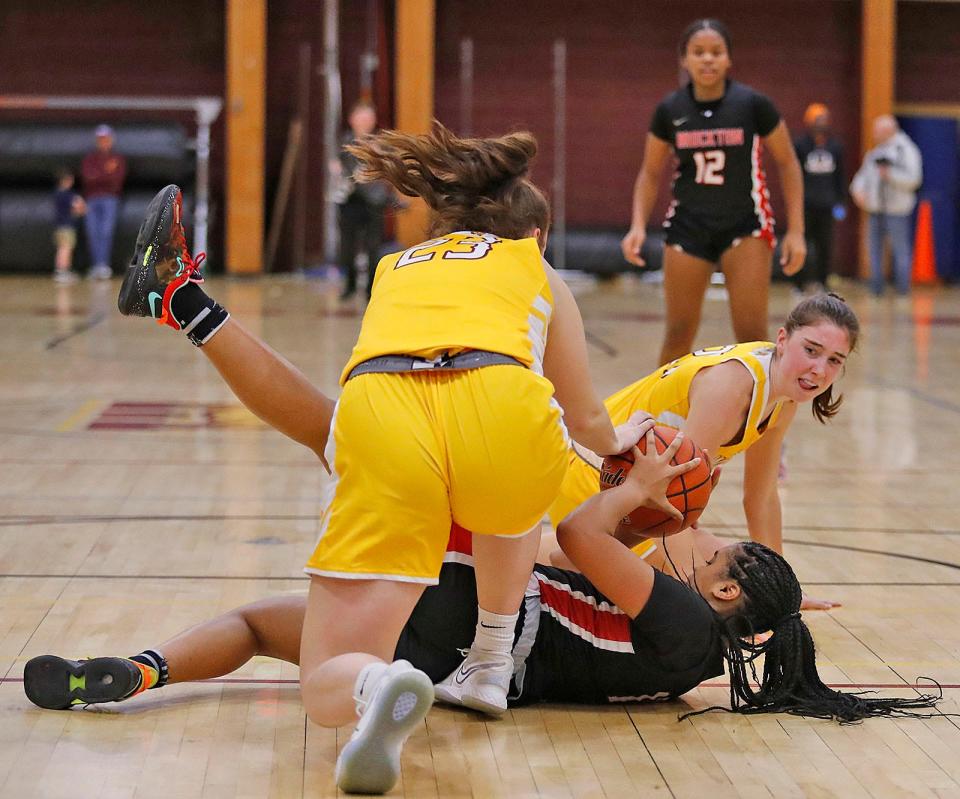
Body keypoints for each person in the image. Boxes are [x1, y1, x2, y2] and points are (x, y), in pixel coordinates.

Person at [112, 122, 646, 794]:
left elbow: (348, 413)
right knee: (508, 485)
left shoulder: (400, 264)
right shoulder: (532, 269)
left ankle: (376, 681)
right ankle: (487, 661)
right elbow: (586, 420)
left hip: (385, 412)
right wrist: (621, 448)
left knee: (326, 663)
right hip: (501, 435)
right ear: (533, 236)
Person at [24, 427, 941, 724]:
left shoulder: (683, 622)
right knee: (267, 628)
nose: (697, 537)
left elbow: (580, 534)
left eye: (713, 545)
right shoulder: (691, 659)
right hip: (469, 634)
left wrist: (641, 489)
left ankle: (217, 327)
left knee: (417, 442)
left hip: (484, 616)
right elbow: (576, 551)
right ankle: (137, 670)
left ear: (728, 588)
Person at [547, 292, 859, 611]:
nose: (819, 369)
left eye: (834, 360)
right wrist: (693, 604)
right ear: (782, 339)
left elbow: (761, 498)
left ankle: (570, 558)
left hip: (639, 494)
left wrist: (784, 593)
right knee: (693, 602)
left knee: (744, 583)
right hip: (595, 475)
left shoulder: (783, 399)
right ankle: (559, 560)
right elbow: (667, 501)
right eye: (811, 350)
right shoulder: (731, 388)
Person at [621, 18, 806, 367]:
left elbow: (788, 163)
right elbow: (649, 172)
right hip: (688, 226)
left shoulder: (753, 105)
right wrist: (638, 225)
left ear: (729, 59)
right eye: (698, 52)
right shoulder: (670, 110)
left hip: (745, 225)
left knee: (751, 334)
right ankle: (659, 416)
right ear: (684, 60)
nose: (707, 59)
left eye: (716, 52)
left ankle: (756, 419)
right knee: (677, 333)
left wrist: (796, 231)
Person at [850, 115, 923, 297]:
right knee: (874, 249)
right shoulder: (875, 152)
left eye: (877, 130)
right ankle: (876, 288)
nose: (874, 134)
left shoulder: (906, 151)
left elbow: (914, 180)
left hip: (897, 211)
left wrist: (890, 175)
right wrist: (857, 191)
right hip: (875, 209)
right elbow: (862, 177)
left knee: (900, 250)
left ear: (888, 131)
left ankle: (902, 289)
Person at [331, 100, 391, 300]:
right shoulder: (344, 144)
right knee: (347, 246)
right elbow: (340, 171)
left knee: (373, 246)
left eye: (368, 117)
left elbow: (386, 173)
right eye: (361, 117)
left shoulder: (381, 145)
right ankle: (349, 284)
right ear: (352, 119)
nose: (365, 121)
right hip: (349, 200)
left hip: (373, 202)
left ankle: (370, 288)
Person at [793, 103, 846, 294]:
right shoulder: (800, 145)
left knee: (825, 245)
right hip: (805, 205)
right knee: (803, 245)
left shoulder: (835, 146)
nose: (821, 123)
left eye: (824, 119)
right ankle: (799, 283)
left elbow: (840, 176)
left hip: (827, 205)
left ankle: (823, 281)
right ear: (809, 122)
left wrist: (840, 202)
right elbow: (793, 175)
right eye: (817, 119)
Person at [81, 124, 127, 280]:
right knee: (93, 232)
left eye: (106, 139)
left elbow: (117, 180)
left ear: (111, 140)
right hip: (92, 199)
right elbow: (87, 178)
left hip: (110, 199)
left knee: (106, 231)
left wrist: (99, 176)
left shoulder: (117, 159)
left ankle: (104, 265)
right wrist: (106, 174)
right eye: (100, 139)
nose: (103, 142)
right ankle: (96, 265)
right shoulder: (89, 159)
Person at [52, 169, 86, 284]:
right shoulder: (67, 194)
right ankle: (62, 271)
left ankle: (62, 270)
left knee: (63, 248)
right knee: (65, 248)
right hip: (66, 226)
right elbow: (79, 207)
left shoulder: (58, 193)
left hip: (60, 225)